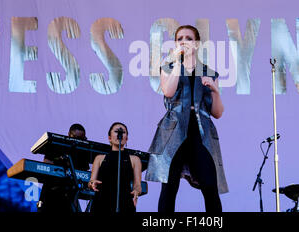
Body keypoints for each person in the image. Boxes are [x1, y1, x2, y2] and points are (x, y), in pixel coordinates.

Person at [145, 25, 228, 213]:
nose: (184, 41)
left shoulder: (208, 71)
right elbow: (168, 91)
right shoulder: (168, 67)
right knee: (170, 185)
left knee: (209, 185)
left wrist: (215, 89)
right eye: (180, 38)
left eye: (189, 38)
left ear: (197, 44)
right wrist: (176, 62)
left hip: (200, 130)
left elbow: (218, 113)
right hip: (174, 129)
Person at [89, 122, 142, 213]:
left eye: (123, 132)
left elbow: (137, 185)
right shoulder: (99, 158)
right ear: (109, 138)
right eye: (117, 131)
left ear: (126, 139)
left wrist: (137, 191)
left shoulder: (135, 160)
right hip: (101, 202)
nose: (120, 134)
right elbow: (91, 181)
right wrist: (92, 183)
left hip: (125, 203)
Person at [37, 123, 89, 212]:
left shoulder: (82, 153)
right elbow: (47, 163)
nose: (77, 141)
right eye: (75, 138)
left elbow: (84, 173)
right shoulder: (56, 145)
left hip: (70, 194)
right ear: (69, 135)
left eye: (81, 139)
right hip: (51, 192)